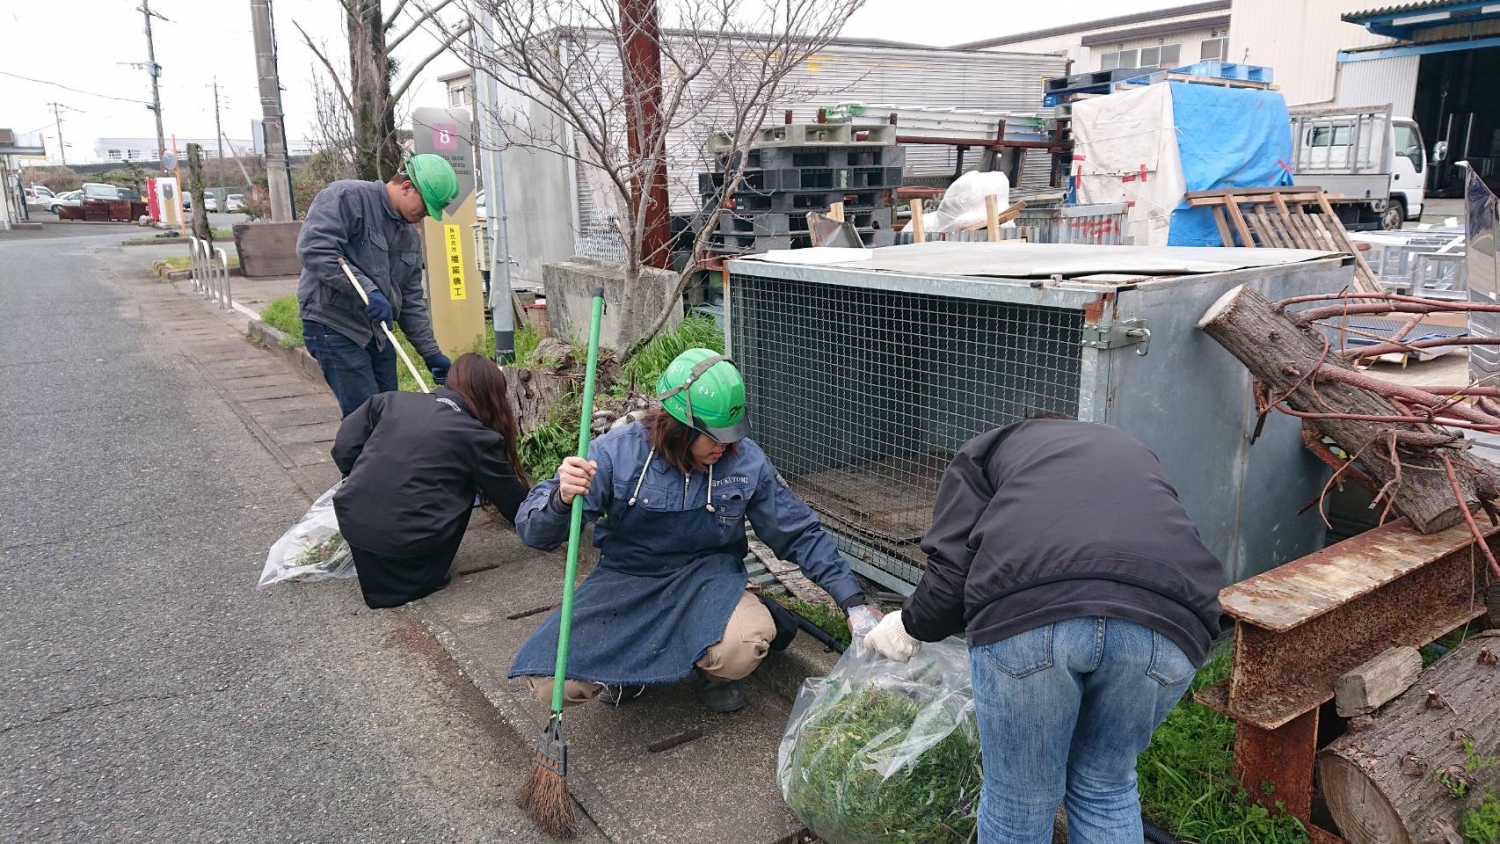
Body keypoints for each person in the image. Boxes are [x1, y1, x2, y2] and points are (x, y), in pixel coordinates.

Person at [863, 414, 1223, 844]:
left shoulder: (982, 454)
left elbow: (950, 575)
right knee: (1105, 787)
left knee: (1020, 799)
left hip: (1031, 612)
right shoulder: (1131, 448)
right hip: (1170, 623)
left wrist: (907, 626)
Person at [508, 349, 877, 713]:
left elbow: (798, 531)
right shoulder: (612, 456)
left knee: (745, 643)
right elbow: (535, 534)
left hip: (709, 578)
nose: (725, 445)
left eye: (732, 433)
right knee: (552, 682)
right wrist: (561, 497)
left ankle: (716, 673)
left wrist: (853, 603)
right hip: (629, 579)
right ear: (677, 425)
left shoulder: (745, 461)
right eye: (714, 436)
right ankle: (625, 674)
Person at [330, 353, 530, 609]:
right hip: (411, 550)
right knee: (466, 483)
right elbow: (515, 505)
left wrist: (362, 476)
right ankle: (422, 575)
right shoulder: (476, 437)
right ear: (492, 395)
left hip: (354, 527)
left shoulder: (391, 400)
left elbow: (344, 447)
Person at [296, 153, 460, 417]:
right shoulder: (347, 197)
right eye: (426, 206)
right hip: (334, 326)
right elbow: (315, 249)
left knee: (390, 415)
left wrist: (431, 354)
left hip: (378, 334)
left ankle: (383, 457)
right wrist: (368, 290)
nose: (426, 215)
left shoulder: (409, 238)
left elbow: (411, 301)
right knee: (366, 419)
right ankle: (359, 459)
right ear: (407, 187)